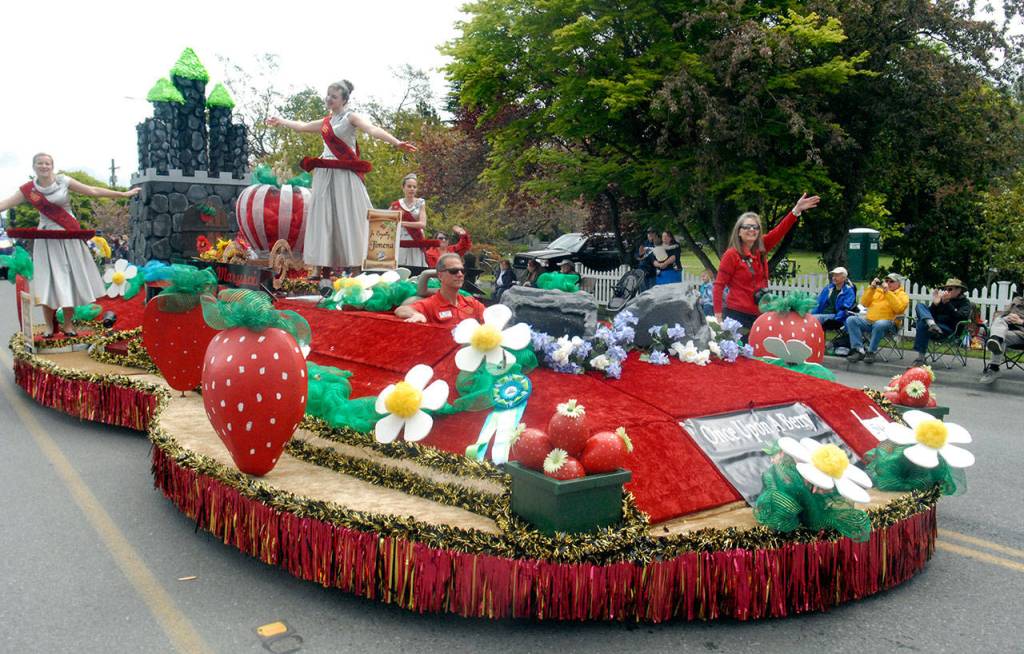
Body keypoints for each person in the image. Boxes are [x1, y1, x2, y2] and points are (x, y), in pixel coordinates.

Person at [267, 80, 416, 276]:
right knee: (323, 217)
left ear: (344, 99)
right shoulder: (326, 122)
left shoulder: (351, 117)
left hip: (345, 175)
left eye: (334, 96)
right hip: (325, 174)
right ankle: (320, 266)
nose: (329, 99)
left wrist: (396, 142)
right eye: (328, 95)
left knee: (351, 216)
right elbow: (302, 126)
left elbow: (372, 130)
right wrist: (281, 121)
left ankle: (356, 265)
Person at [0, 153, 139, 337]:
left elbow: (93, 191)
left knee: (68, 279)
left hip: (68, 234)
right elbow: (6, 203)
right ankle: (49, 326)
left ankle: (68, 325)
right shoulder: (29, 190)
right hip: (46, 239)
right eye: (40, 163)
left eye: (47, 163)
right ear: (34, 166)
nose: (44, 166)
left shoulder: (63, 181)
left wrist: (122, 194)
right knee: (47, 282)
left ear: (52, 166)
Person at [713, 194, 821, 330]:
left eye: (755, 227)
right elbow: (719, 285)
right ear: (739, 231)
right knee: (741, 350)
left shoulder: (761, 248)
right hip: (738, 314)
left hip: (761, 313)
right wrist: (718, 313)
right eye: (747, 227)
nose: (751, 230)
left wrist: (796, 210)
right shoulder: (731, 255)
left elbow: (780, 231)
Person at [396, 253, 485, 325]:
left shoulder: (472, 303)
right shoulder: (430, 304)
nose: (460, 274)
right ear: (440, 276)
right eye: (453, 271)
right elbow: (401, 310)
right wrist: (416, 314)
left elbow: (490, 318)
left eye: (462, 271)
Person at [845, 273, 910, 363]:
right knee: (851, 320)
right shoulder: (877, 291)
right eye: (886, 281)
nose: (888, 283)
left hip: (889, 324)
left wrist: (888, 292)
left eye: (891, 281)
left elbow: (898, 308)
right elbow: (864, 303)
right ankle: (858, 350)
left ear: (898, 284)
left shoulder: (902, 295)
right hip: (869, 322)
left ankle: (871, 352)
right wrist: (871, 288)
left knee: (879, 324)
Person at [910, 278, 973, 365]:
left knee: (922, 323)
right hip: (934, 326)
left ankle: (920, 359)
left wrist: (947, 303)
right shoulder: (942, 299)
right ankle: (931, 324)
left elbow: (960, 317)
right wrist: (935, 304)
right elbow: (930, 314)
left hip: (949, 330)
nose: (947, 291)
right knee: (920, 306)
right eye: (945, 289)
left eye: (950, 289)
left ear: (959, 290)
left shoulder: (965, 303)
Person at [979, 293, 1024, 384]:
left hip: (1022, 334)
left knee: (1000, 335)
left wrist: (1021, 321)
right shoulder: (1017, 300)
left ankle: (996, 339)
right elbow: (1003, 314)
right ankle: (994, 368)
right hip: (1010, 330)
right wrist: (1008, 317)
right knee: (999, 320)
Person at [389, 173, 428, 267]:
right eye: (409, 186)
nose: (412, 189)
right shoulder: (395, 205)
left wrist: (402, 223)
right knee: (401, 267)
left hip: (416, 239)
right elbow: (388, 223)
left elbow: (423, 224)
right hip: (401, 240)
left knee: (416, 268)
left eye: (414, 187)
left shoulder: (420, 203)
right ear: (403, 187)